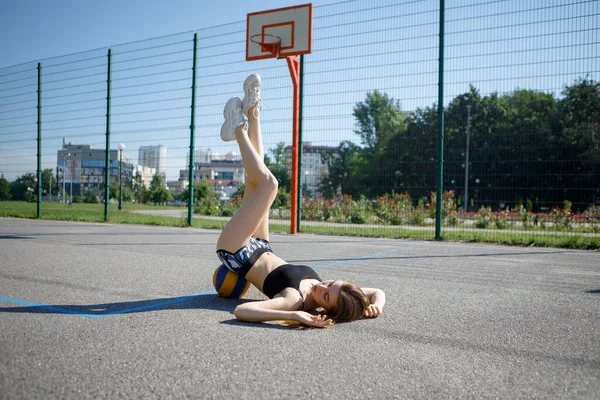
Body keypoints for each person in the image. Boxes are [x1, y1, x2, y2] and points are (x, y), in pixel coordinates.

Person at [216, 74, 386, 328]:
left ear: (326, 309)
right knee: (257, 178)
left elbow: (243, 310)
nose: (322, 285)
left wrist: (293, 315)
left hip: (237, 252)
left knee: (269, 184)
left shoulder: (294, 300)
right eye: (331, 283)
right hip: (262, 245)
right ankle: (252, 111)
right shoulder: (336, 292)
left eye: (325, 295)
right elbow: (377, 292)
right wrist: (375, 306)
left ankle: (237, 128)